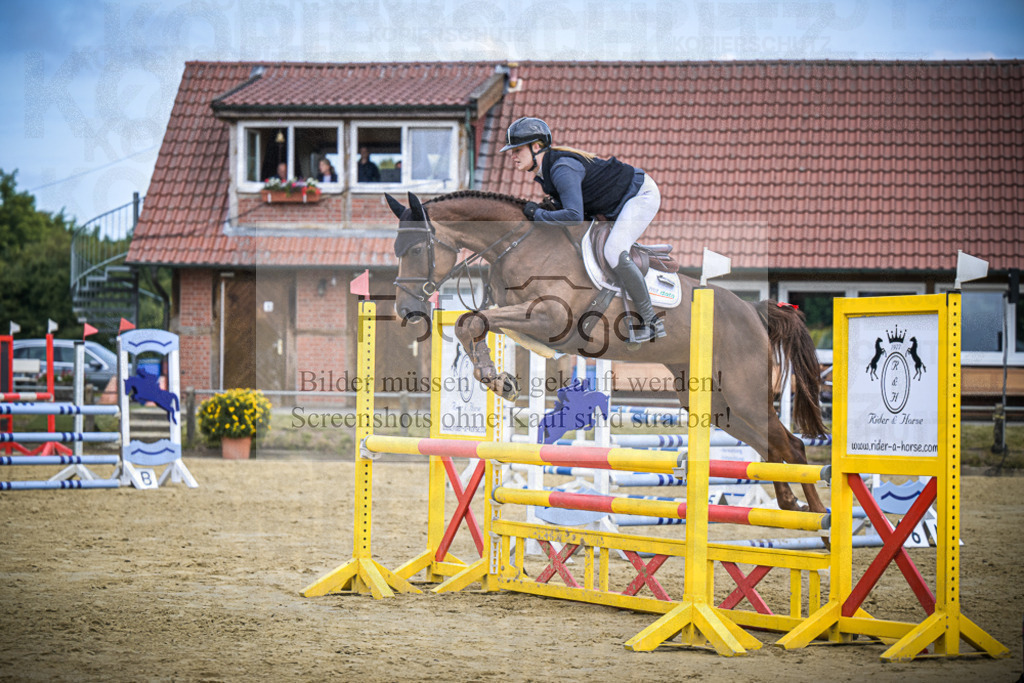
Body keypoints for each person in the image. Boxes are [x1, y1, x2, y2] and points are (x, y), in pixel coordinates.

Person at [500, 116, 666, 343]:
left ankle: (652, 322)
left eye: (517, 150)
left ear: (536, 146)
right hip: (613, 202)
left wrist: (538, 214)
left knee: (614, 251)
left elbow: (574, 216)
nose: (512, 156)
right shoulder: (546, 170)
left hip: (640, 195)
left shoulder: (561, 168)